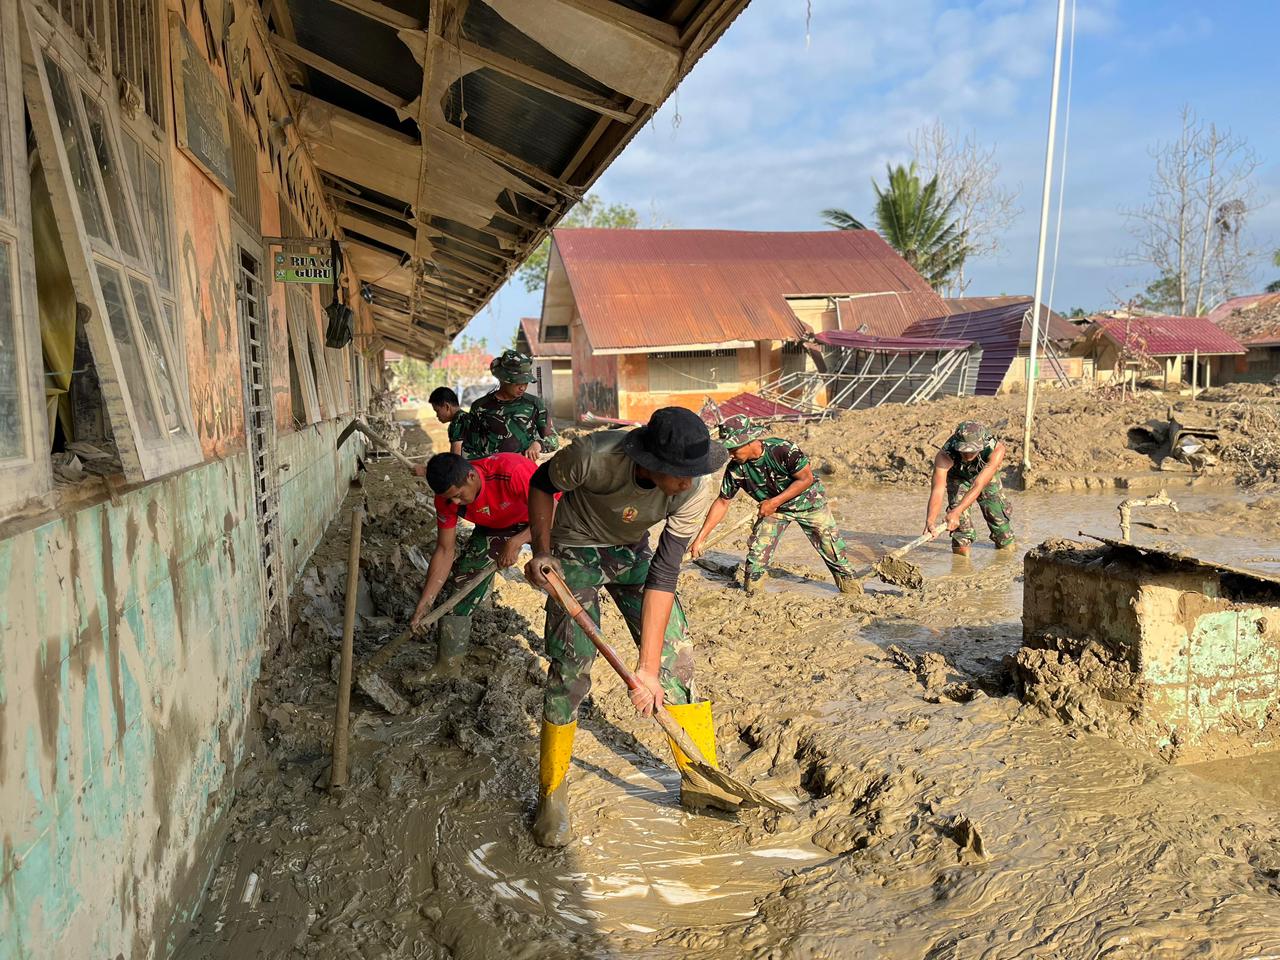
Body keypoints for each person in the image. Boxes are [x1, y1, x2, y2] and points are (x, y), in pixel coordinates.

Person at [523, 407, 727, 847]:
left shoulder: (695, 487)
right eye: (680, 473)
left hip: (632, 552)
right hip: (574, 548)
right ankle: (552, 795)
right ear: (651, 463)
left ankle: (700, 777)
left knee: (677, 658)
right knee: (571, 665)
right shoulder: (592, 456)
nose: (689, 482)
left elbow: (665, 573)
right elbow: (541, 484)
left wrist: (648, 668)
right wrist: (542, 551)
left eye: (695, 471)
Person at [690, 415, 859, 594]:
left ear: (749, 441)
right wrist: (701, 538)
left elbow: (806, 478)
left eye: (733, 449)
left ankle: (853, 595)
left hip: (809, 504)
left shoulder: (783, 450)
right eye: (728, 450)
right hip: (774, 511)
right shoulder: (735, 469)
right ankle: (753, 596)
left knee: (835, 556)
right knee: (755, 560)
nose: (730, 455)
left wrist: (774, 501)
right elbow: (723, 502)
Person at [410, 452, 537, 675]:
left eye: (458, 495)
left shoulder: (511, 471)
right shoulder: (446, 499)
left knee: (552, 576)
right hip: (495, 525)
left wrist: (517, 542)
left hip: (542, 519)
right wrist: (426, 601)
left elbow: (553, 512)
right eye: (450, 499)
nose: (455, 503)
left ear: (471, 476)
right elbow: (444, 549)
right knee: (460, 584)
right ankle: (447, 667)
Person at [924, 420, 1015, 556]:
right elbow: (938, 489)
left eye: (972, 450)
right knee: (961, 530)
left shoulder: (996, 449)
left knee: (1001, 528)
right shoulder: (945, 455)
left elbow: (978, 485)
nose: (968, 456)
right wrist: (930, 521)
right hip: (958, 478)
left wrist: (957, 511)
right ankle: (961, 572)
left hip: (985, 476)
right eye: (963, 451)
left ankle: (1008, 561)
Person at [462, 350, 557, 461]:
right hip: (491, 472)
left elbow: (553, 438)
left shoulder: (534, 404)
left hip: (522, 471)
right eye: (517, 382)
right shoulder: (480, 407)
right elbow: (469, 449)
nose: (522, 387)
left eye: (525, 382)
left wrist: (538, 444)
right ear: (503, 379)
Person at [428, 386, 468, 456]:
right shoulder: (467, 416)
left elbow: (456, 459)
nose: (437, 415)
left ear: (447, 406)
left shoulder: (456, 424)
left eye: (437, 411)